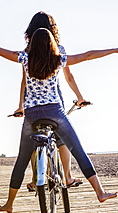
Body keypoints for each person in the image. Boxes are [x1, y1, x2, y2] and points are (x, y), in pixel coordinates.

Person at [0, 29, 118, 213]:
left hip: (32, 115)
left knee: (22, 159)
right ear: (52, 44)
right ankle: (99, 192)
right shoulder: (59, 60)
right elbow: (88, 55)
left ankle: (9, 203)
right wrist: (116, 50)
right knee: (78, 149)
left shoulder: (25, 59)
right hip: (55, 112)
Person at [15, 12, 85, 190]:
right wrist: (80, 97)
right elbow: (69, 77)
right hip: (54, 98)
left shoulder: (27, 52)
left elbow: (24, 81)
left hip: (31, 101)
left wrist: (20, 106)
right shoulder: (59, 49)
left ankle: (34, 178)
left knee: (33, 138)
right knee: (62, 137)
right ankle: (68, 177)